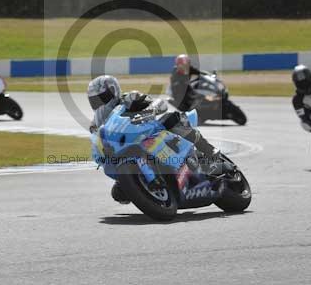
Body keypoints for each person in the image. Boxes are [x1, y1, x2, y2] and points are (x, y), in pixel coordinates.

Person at [87, 75, 235, 204]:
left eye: (103, 97)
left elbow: (157, 103)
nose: (99, 103)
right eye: (95, 101)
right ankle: (148, 187)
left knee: (172, 119)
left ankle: (208, 149)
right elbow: (96, 144)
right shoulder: (97, 124)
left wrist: (148, 110)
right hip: (124, 153)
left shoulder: (129, 98)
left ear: (114, 91)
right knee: (118, 193)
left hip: (149, 133)